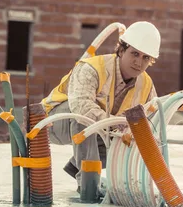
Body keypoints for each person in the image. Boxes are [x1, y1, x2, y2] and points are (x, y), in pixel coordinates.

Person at [41, 21, 161, 193]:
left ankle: (78, 166)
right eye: (135, 53)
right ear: (121, 50)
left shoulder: (146, 85)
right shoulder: (93, 68)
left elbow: (151, 122)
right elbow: (81, 107)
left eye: (146, 58)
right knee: (86, 119)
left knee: (126, 139)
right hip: (52, 123)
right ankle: (88, 187)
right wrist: (117, 123)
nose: (139, 62)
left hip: (96, 130)